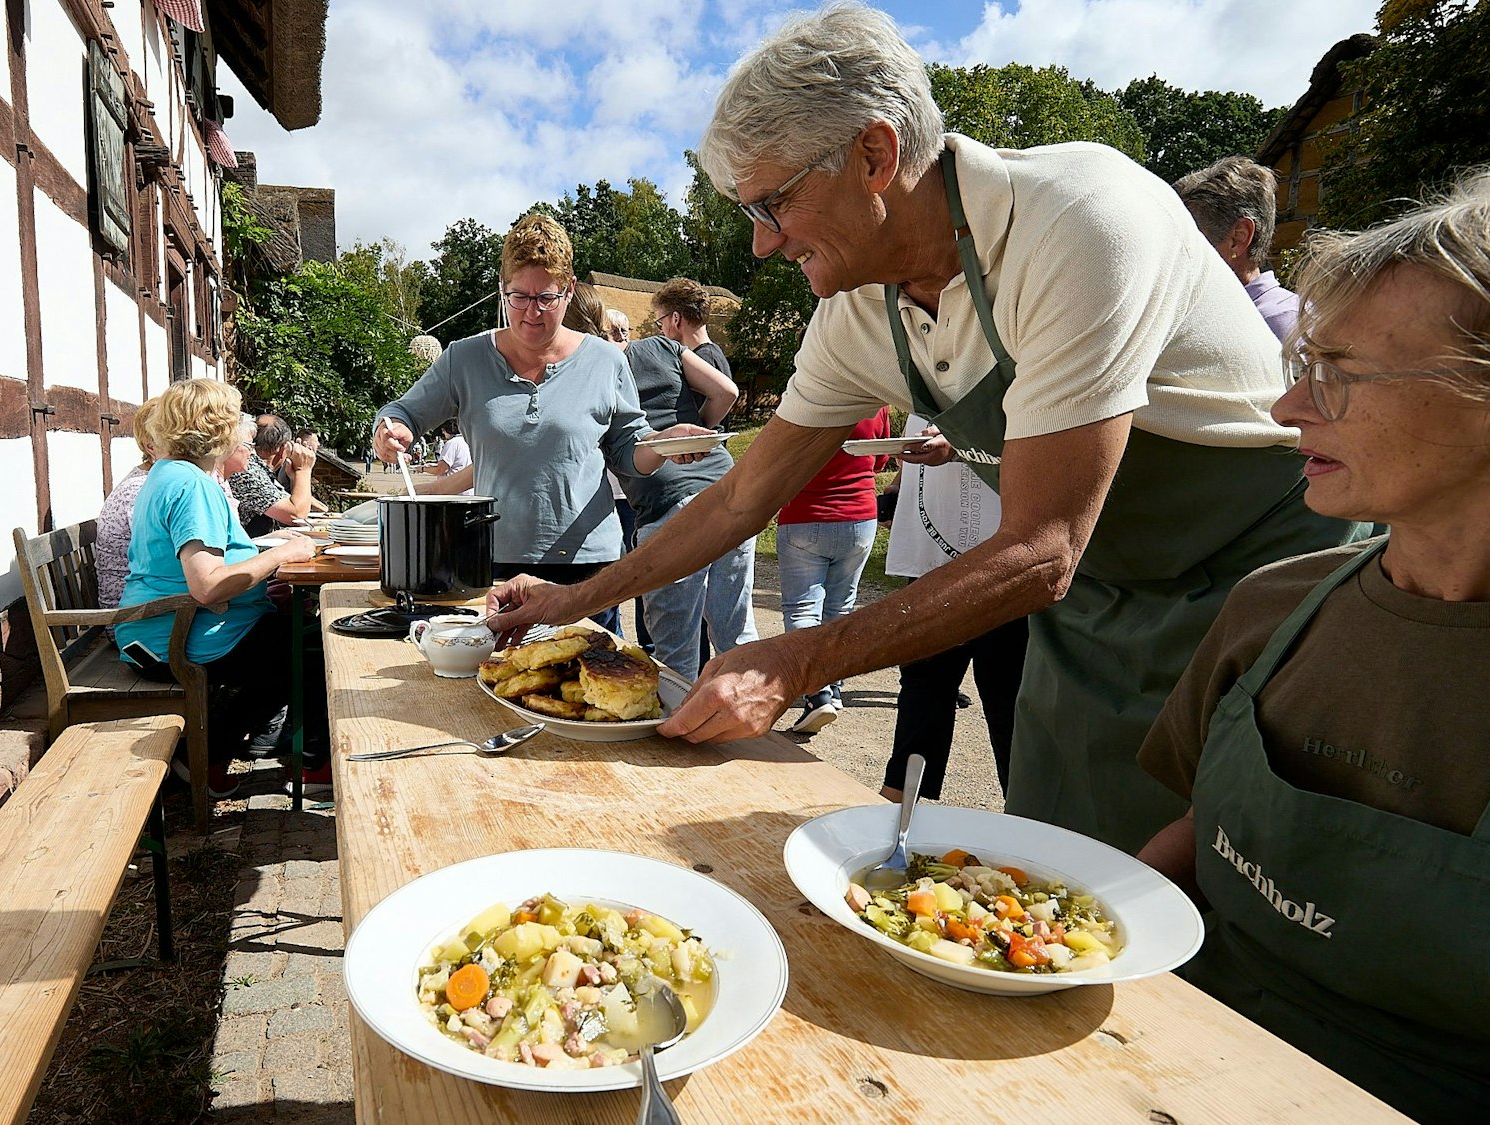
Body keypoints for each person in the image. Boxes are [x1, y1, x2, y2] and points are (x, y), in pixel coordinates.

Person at [486, 3, 1363, 855]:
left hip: (1255, 582)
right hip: (1098, 597)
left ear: (875, 153)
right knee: (1059, 873)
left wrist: (799, 658)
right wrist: (572, 600)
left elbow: (1045, 544)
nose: (759, 246)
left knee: (1238, 890)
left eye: (770, 206)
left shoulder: (1080, 222)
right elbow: (739, 501)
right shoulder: (856, 313)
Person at [1135, 168, 1490, 1122]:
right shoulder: (1273, 607)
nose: (1288, 410)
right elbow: (1207, 841)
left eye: (1340, 372)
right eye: (1302, 364)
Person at [371, 213, 713, 635]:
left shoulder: (606, 361)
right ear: (502, 290)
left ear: (569, 291)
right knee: (494, 687)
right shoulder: (465, 358)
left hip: (587, 567)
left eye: (546, 298)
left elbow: (627, 451)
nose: (531, 312)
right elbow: (402, 412)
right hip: (494, 561)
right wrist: (390, 429)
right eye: (519, 297)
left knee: (591, 689)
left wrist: (662, 444)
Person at [114, 380, 322, 796]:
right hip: (173, 637)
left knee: (300, 641)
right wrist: (282, 556)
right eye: (236, 421)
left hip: (168, 627)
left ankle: (206, 759)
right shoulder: (192, 486)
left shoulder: (168, 473)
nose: (243, 430)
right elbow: (207, 586)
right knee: (316, 655)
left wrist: (261, 571)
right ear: (218, 430)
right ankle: (307, 770)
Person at [564, 286, 755, 680]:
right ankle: (752, 726)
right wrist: (696, 432)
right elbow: (727, 391)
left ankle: (680, 737)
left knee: (675, 654)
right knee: (736, 630)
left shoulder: (586, 377)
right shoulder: (660, 347)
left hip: (667, 506)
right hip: (726, 488)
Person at [880, 415, 1026, 797]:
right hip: (933, 557)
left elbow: (1042, 437)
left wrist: (960, 446)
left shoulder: (1012, 361)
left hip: (1004, 561)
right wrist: (901, 489)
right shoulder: (919, 368)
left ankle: (1030, 820)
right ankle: (902, 810)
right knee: (923, 683)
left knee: (1007, 695)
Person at [775, 407, 891, 734]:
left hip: (806, 512)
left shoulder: (809, 394)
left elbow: (780, 455)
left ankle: (817, 693)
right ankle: (833, 686)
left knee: (802, 608)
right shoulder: (877, 400)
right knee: (840, 608)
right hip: (859, 518)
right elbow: (879, 459)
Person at [1176, 155, 1299, 340]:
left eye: (1190, 241)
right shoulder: (1207, 312)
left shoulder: (1283, 322)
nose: (1177, 254)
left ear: (1238, 238)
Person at [96, 407, 160, 611]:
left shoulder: (150, 480)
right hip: (128, 616)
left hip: (148, 603)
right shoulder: (139, 489)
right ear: (151, 447)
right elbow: (163, 557)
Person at [225, 413, 316, 538]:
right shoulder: (246, 472)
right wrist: (303, 469)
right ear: (284, 449)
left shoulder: (257, 470)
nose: (251, 451)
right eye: (248, 445)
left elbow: (293, 506)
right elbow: (297, 515)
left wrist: (295, 477)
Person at [651, 277, 734, 380]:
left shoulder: (703, 361)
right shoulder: (711, 356)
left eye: (661, 322)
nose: (661, 330)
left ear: (675, 319)